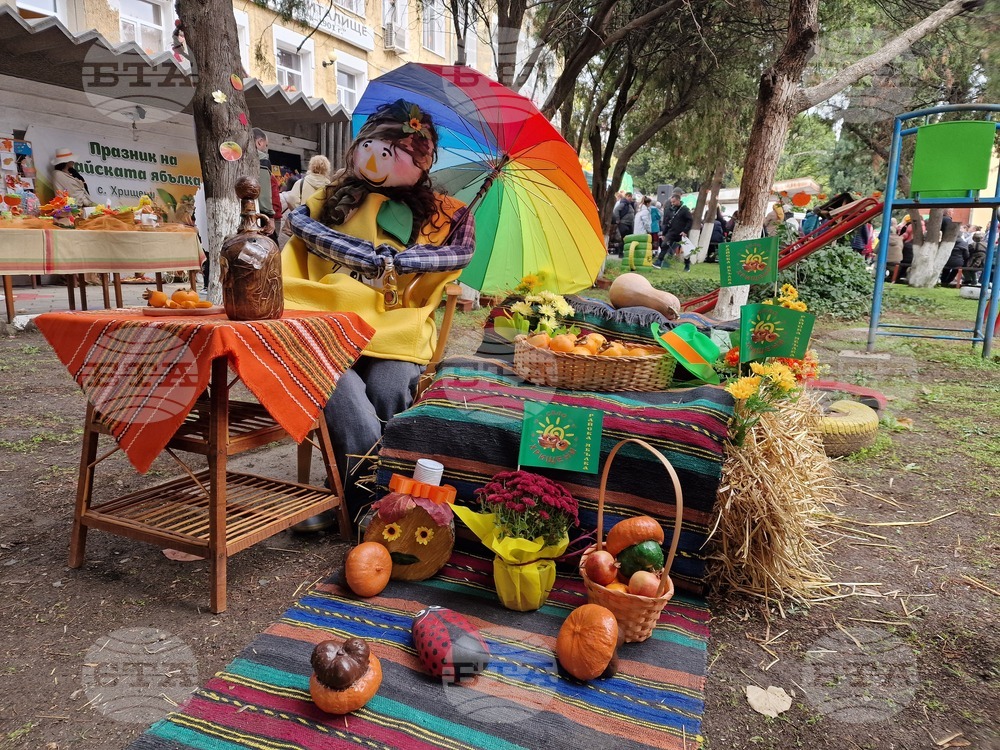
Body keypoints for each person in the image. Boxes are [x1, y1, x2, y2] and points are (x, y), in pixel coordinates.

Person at [282, 99, 476, 527]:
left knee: (390, 388)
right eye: (373, 144)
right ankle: (373, 505)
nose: (379, 156)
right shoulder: (330, 196)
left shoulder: (446, 214)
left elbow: (459, 254)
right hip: (322, 322)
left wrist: (413, 260)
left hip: (396, 326)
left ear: (422, 165)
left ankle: (353, 500)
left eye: (398, 151)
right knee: (342, 394)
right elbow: (298, 225)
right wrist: (359, 253)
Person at [654, 194, 692, 269]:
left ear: (678, 200)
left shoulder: (684, 209)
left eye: (674, 202)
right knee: (664, 245)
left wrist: (685, 231)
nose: (672, 203)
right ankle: (659, 262)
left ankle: (687, 265)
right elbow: (667, 222)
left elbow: (690, 220)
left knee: (685, 249)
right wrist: (664, 233)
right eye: (672, 202)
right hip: (671, 232)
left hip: (681, 233)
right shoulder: (670, 209)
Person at [252, 128, 275, 233]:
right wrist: (269, 216)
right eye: (266, 145)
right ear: (259, 142)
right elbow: (264, 191)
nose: (266, 149)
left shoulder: (237, 157)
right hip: (257, 213)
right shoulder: (262, 159)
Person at [886, 217, 904, 283]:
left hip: (885, 261)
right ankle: (893, 279)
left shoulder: (885, 238)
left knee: (877, 261)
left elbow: (876, 250)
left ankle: (874, 277)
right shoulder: (900, 239)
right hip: (897, 261)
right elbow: (901, 248)